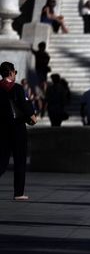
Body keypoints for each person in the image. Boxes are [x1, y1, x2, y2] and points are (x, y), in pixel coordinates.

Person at [0, 62, 37, 201]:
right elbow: (25, 105)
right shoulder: (17, 88)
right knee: (20, 160)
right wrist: (33, 118)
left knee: (2, 159)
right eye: (15, 72)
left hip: (2, 128)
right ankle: (18, 193)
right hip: (17, 128)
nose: (15, 74)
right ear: (11, 73)